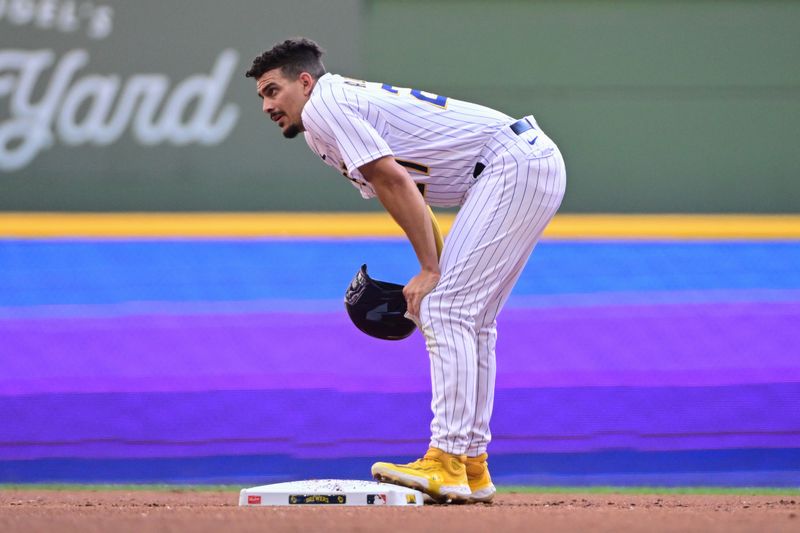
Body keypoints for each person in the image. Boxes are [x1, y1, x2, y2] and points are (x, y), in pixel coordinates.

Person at [246, 37, 566, 503]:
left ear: (305, 81)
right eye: (261, 96)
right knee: (467, 316)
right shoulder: (321, 128)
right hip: (519, 163)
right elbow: (407, 190)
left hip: (509, 165)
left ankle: (446, 460)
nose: (266, 105)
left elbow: (393, 179)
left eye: (273, 90)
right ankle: (471, 464)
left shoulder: (324, 108)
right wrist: (434, 269)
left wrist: (430, 269)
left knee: (448, 310)